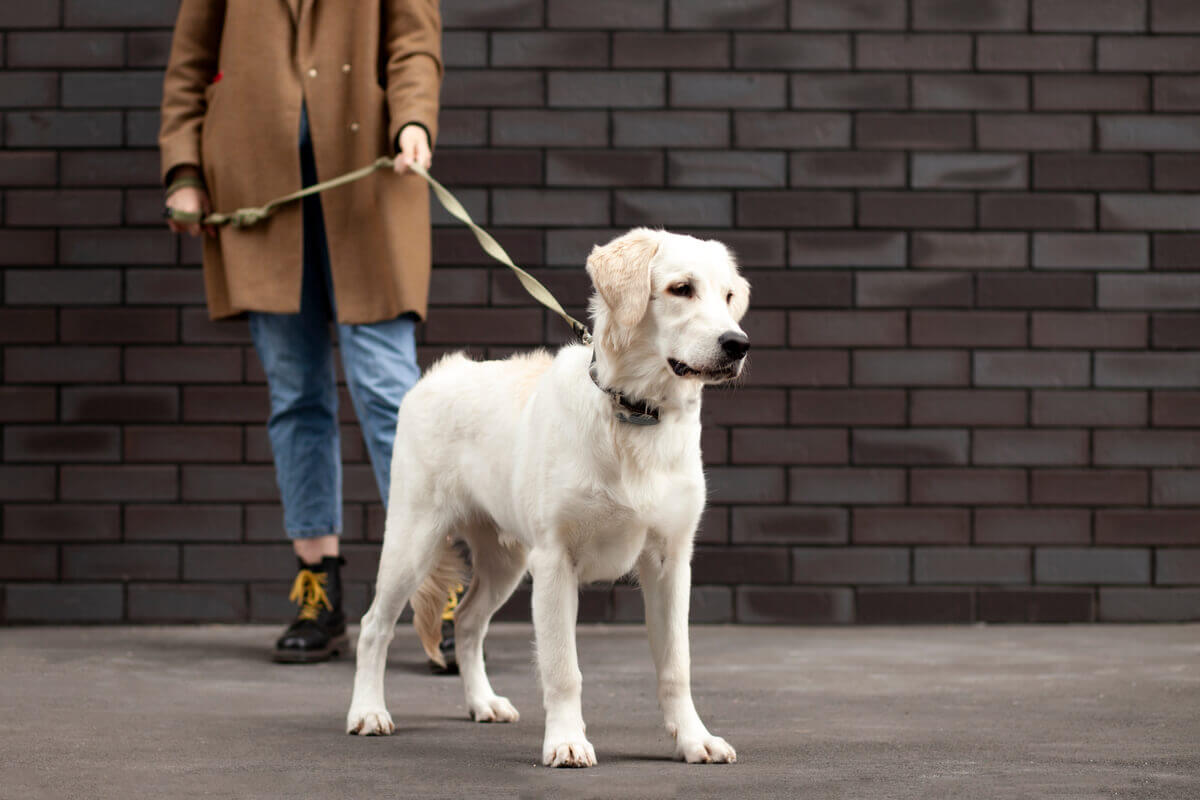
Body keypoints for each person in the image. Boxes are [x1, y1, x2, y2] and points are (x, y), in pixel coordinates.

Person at [159, 0, 450, 665]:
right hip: (257, 193)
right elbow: (190, 66)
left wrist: (413, 119)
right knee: (296, 395)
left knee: (391, 394)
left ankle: (435, 580)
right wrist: (184, 170)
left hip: (371, 183)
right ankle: (318, 587)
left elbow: (414, 45)